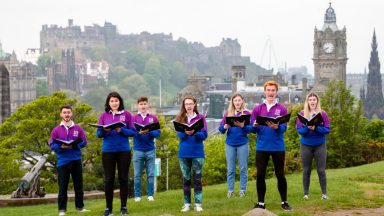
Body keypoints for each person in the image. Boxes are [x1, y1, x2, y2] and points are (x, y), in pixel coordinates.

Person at [250, 80, 292, 211]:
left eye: (273, 90)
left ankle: (284, 202)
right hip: (261, 147)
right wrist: (254, 126)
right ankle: (261, 203)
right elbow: (251, 128)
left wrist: (276, 127)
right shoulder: (258, 109)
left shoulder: (282, 109)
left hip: (278, 147)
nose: (270, 93)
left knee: (280, 174)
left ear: (276, 92)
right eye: (268, 90)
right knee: (261, 175)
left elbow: (284, 128)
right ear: (265, 91)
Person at [96, 92, 135, 216]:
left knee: (123, 178)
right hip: (108, 151)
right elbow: (98, 134)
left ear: (120, 102)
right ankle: (108, 209)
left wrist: (121, 130)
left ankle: (124, 207)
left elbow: (133, 132)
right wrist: (104, 130)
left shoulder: (127, 115)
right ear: (108, 103)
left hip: (124, 150)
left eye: (116, 101)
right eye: (112, 101)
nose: (114, 103)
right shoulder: (103, 116)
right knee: (109, 179)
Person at [49, 105, 90, 216]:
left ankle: (80, 207)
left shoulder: (78, 128)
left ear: (71, 114)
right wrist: (61, 147)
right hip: (63, 161)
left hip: (76, 160)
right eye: (64, 112)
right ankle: (62, 210)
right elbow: (52, 144)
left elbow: (84, 142)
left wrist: (74, 146)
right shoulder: (56, 130)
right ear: (61, 114)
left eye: (68, 112)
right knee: (63, 187)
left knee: (79, 186)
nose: (67, 114)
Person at [175, 96, 208, 212]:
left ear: (195, 105)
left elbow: (204, 135)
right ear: (184, 106)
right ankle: (187, 204)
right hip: (184, 153)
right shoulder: (180, 119)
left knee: (197, 179)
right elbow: (180, 136)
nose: (188, 106)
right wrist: (186, 132)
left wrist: (194, 132)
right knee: (186, 179)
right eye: (186, 104)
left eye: (190, 104)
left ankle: (198, 204)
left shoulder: (201, 118)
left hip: (198, 152)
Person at [296, 92, 330, 200]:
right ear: (307, 102)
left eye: (314, 100)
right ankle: (306, 194)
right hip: (306, 145)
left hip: (320, 145)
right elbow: (300, 130)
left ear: (317, 101)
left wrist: (316, 128)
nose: (312, 102)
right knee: (306, 170)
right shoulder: (302, 114)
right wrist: (308, 127)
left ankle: (324, 194)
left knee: (321, 170)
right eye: (310, 100)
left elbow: (327, 130)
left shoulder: (323, 114)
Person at [218, 92, 252, 198]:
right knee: (231, 169)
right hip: (230, 144)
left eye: (239, 100)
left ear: (242, 101)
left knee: (243, 168)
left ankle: (242, 190)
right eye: (235, 100)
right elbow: (220, 130)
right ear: (232, 102)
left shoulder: (246, 114)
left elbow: (251, 129)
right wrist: (225, 127)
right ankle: (230, 190)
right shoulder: (228, 113)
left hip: (243, 143)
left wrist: (243, 126)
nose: (237, 102)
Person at [132, 96, 161, 202]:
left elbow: (158, 133)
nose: (143, 106)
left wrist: (149, 131)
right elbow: (131, 133)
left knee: (150, 174)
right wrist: (138, 133)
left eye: (144, 104)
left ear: (147, 105)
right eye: (141, 104)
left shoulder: (153, 119)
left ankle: (150, 195)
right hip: (138, 150)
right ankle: (137, 196)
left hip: (150, 149)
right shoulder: (133, 119)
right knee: (137, 175)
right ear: (138, 106)